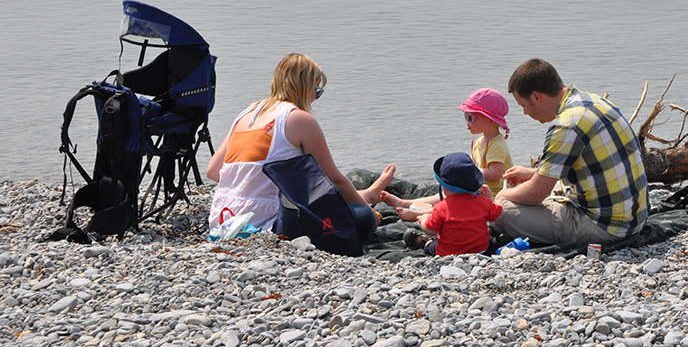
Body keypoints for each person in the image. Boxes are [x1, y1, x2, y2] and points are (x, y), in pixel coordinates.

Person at [205, 53, 393, 236]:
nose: (314, 98)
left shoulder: (246, 114)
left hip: (221, 219)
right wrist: (368, 210)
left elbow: (213, 171)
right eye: (317, 91)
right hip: (264, 223)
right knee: (363, 217)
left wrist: (248, 186)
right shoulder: (299, 120)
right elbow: (334, 179)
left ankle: (366, 194)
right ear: (303, 87)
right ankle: (365, 200)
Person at [494, 58, 649, 245]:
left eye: (523, 106)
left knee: (498, 211)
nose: (525, 112)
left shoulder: (566, 127)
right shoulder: (594, 101)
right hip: (636, 216)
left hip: (607, 228)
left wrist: (501, 196)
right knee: (549, 189)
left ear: (536, 97)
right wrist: (531, 173)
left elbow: (535, 194)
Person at [382, 88, 511, 218]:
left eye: (470, 117)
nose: (467, 121)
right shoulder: (480, 141)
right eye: (465, 116)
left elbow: (495, 174)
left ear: (490, 120)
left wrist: (468, 172)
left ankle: (419, 214)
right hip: (478, 189)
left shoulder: (496, 145)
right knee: (448, 193)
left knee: (457, 202)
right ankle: (405, 202)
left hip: (491, 195)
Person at [405, 152, 503, 256]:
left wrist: (424, 219)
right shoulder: (483, 202)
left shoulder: (441, 207)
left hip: (449, 253)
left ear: (445, 187)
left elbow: (431, 230)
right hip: (481, 251)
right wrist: (490, 197)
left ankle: (423, 242)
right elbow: (498, 215)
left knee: (432, 245)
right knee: (490, 240)